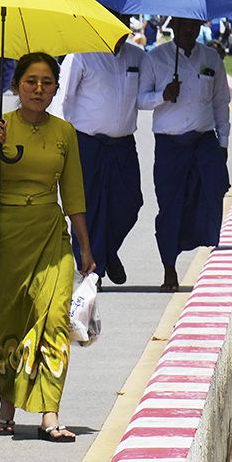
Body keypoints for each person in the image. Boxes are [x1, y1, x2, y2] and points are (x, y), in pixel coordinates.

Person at [0, 52, 95, 442]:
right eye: (30, 82)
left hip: (50, 234)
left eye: (46, 82)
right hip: (7, 236)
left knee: (53, 318)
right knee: (10, 322)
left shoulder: (64, 132)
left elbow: (73, 192)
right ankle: (7, 403)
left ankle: (49, 412)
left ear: (56, 87)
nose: (38, 90)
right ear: (15, 86)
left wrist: (84, 249)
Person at [138, 17, 231, 292]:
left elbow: (221, 102)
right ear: (174, 27)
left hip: (204, 141)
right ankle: (169, 267)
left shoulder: (212, 58)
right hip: (170, 147)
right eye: (184, 25)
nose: (189, 30)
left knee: (215, 188)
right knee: (170, 207)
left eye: (194, 26)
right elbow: (140, 99)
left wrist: (223, 143)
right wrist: (163, 95)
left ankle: (211, 252)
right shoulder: (155, 58)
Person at [57, 18, 145, 286]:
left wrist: (166, 94)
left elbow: (143, 97)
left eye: (122, 20)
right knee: (87, 208)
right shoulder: (80, 56)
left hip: (122, 143)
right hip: (87, 143)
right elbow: (64, 99)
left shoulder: (137, 56)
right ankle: (90, 272)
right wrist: (60, 143)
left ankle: (108, 251)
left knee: (130, 204)